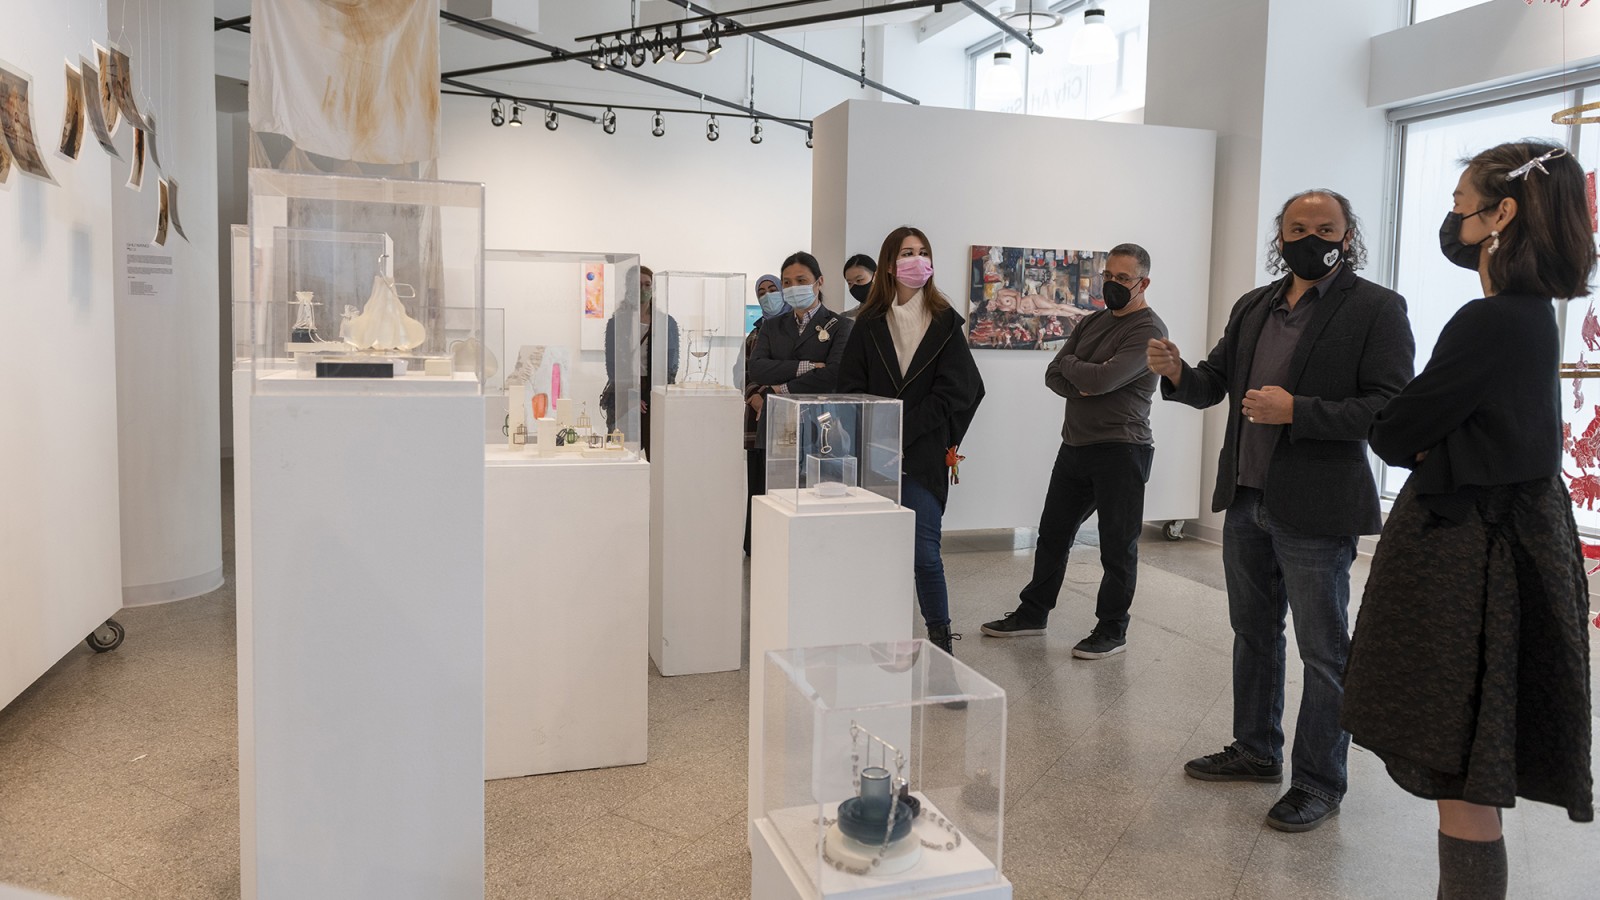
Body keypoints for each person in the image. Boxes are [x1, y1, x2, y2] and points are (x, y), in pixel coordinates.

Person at [1341, 142, 1594, 898]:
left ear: (1501, 214)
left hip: (1470, 561)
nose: (1451, 220)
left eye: (1459, 205)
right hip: (1508, 544)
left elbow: (1393, 429)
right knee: (1471, 762)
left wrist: (1421, 434)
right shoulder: (1532, 317)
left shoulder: (1491, 321)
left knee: (1462, 762)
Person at [1146, 189, 1414, 832]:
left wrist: (1300, 411)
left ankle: (1320, 781)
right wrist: (1178, 372)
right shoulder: (1254, 305)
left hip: (1318, 507)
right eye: (1297, 226)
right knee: (1254, 634)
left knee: (1325, 653)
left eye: (1325, 227)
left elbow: (1390, 405)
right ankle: (1256, 749)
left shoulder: (1377, 308)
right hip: (1246, 497)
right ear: (1280, 235)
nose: (1310, 236)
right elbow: (1215, 382)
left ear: (1347, 237)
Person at [980, 243, 1168, 660]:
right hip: (1076, 445)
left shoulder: (1148, 330)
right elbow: (1053, 371)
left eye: (1124, 279)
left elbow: (1102, 381)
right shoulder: (1092, 323)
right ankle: (1033, 614)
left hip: (1123, 449)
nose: (1113, 285)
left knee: (1117, 547)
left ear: (1143, 282)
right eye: (1109, 276)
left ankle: (1112, 629)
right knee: (1052, 534)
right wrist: (1084, 375)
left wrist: (1083, 374)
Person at [838, 227, 985, 655]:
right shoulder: (867, 324)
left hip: (921, 455)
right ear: (889, 264)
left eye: (923, 253)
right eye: (906, 253)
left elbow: (961, 390)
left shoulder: (944, 321)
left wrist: (904, 428)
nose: (916, 261)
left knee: (924, 552)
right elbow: (850, 388)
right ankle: (874, 637)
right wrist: (878, 431)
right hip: (873, 458)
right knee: (875, 552)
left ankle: (940, 639)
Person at [604, 265, 677, 459]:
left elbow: (672, 365)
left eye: (647, 284)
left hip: (656, 392)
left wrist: (657, 395)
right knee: (624, 454)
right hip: (624, 394)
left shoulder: (667, 323)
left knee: (659, 455)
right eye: (638, 285)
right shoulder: (616, 322)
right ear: (629, 288)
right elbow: (613, 366)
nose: (643, 289)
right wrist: (631, 396)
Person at [743, 274, 785, 555]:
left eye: (772, 289)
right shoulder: (755, 334)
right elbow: (745, 372)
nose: (768, 295)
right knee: (757, 482)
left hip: (786, 412)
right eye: (762, 291)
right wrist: (756, 397)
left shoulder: (791, 330)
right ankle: (755, 543)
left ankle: (779, 544)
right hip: (757, 418)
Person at [842, 253, 876, 318]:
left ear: (876, 277)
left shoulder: (895, 311)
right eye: (849, 283)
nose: (854, 286)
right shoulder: (846, 318)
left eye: (859, 280)